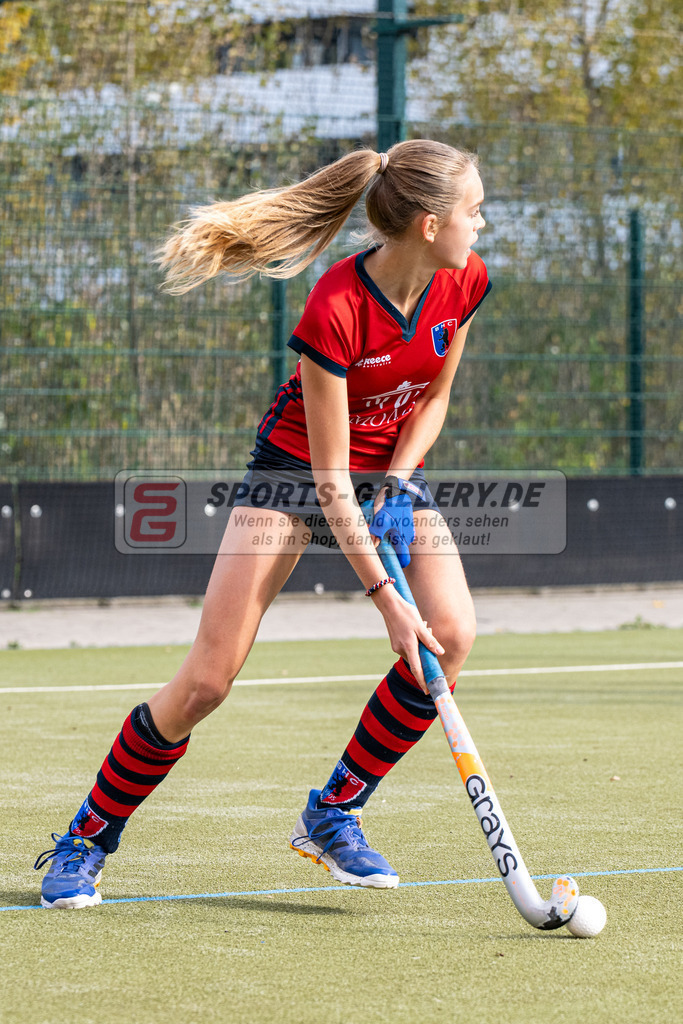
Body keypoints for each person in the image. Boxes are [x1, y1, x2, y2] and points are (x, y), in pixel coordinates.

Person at [34, 139, 490, 908]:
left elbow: (435, 397)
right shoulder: (336, 307)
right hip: (295, 475)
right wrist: (386, 599)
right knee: (207, 682)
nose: (481, 225)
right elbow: (327, 480)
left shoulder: (465, 280)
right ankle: (84, 840)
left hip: (387, 473)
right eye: (472, 211)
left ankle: (333, 812)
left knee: (451, 636)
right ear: (426, 223)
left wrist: (403, 481)